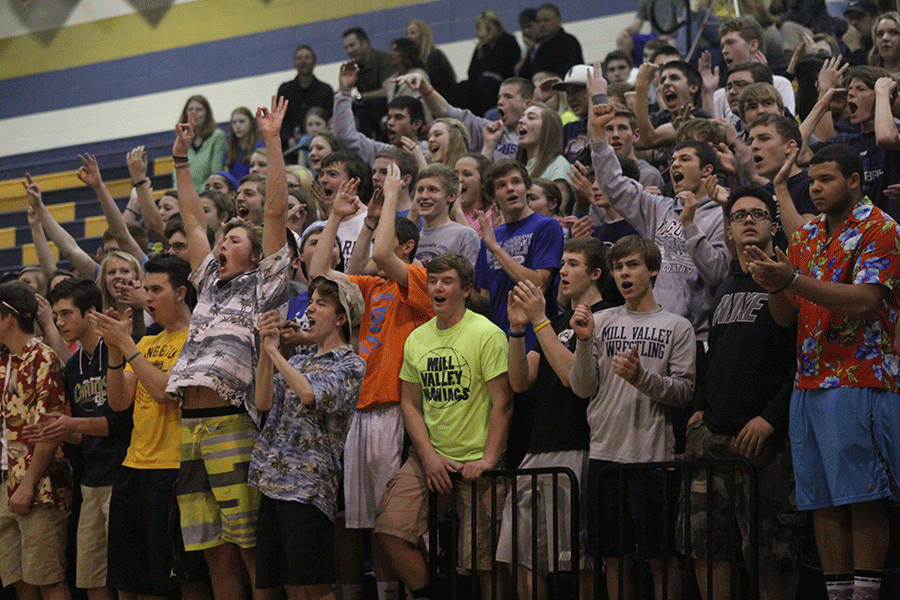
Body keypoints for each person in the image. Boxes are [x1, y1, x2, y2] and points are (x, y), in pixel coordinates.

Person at [746, 144, 900, 600]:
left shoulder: (883, 229)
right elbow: (786, 315)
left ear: (855, 180)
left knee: (862, 497)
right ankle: (838, 593)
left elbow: (866, 299)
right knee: (823, 501)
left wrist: (790, 280)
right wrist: (773, 283)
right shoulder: (808, 235)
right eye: (811, 180)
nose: (814, 188)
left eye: (826, 179)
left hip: (861, 376)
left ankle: (867, 594)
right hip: (809, 380)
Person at [165, 96, 292, 600]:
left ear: (258, 252)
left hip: (234, 422)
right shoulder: (210, 283)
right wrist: (179, 158)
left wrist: (272, 141)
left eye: (234, 239)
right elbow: (193, 220)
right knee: (213, 550)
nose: (221, 245)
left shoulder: (265, 283)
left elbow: (277, 210)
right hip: (189, 427)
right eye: (223, 241)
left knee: (248, 547)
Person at [309, 163, 433, 600]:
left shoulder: (418, 281)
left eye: (388, 235)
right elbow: (320, 274)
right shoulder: (372, 287)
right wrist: (342, 219)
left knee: (392, 522)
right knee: (368, 525)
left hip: (396, 408)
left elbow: (382, 254)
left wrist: (395, 194)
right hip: (361, 409)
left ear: (409, 247)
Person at [680, 186, 802, 600]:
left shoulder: (791, 277)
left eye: (758, 213)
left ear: (773, 224)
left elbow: (804, 358)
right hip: (712, 437)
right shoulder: (725, 286)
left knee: (772, 555)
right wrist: (698, 413)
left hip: (765, 442)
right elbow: (712, 359)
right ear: (728, 230)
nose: (748, 220)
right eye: (739, 215)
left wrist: (772, 417)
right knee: (706, 550)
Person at [374, 253, 513, 600]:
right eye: (433, 281)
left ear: (465, 290)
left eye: (447, 281)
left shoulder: (487, 334)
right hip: (429, 458)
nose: (437, 287)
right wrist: (428, 454)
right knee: (390, 530)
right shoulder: (417, 339)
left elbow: (503, 402)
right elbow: (410, 403)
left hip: (478, 465)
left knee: (484, 561)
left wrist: (489, 459)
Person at [569, 235, 695, 600]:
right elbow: (581, 388)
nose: (624, 273)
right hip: (605, 454)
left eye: (632, 265)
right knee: (613, 558)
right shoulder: (600, 320)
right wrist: (582, 342)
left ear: (652, 269)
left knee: (660, 558)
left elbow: (684, 391)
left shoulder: (677, 326)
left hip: (652, 457)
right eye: (618, 267)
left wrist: (642, 378)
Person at [499, 237, 611, 600]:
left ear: (595, 273)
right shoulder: (556, 320)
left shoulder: (607, 315)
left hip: (577, 447)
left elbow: (570, 376)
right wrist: (519, 330)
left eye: (573, 264)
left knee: (576, 563)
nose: (562, 270)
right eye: (562, 262)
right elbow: (520, 381)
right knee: (517, 556)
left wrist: (537, 320)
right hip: (537, 448)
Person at [93, 254, 207, 600]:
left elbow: (162, 392)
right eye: (146, 289)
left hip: (172, 470)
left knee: (183, 579)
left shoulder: (197, 339)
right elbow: (118, 402)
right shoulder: (146, 343)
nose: (148, 297)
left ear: (180, 293)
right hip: (133, 468)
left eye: (156, 289)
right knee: (134, 581)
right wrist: (115, 350)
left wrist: (125, 345)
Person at [250, 277, 366, 600]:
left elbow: (309, 394)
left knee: (314, 583)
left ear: (341, 317)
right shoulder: (299, 360)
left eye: (321, 304)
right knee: (286, 582)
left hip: (308, 487)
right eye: (311, 301)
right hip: (272, 481)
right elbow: (262, 401)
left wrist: (275, 353)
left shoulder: (352, 363)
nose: (310, 308)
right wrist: (266, 348)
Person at [27, 279, 133, 600]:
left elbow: (121, 423)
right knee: (91, 579)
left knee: (126, 578)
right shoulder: (72, 366)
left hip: (123, 476)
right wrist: (58, 431)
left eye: (66, 314)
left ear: (91, 313)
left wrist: (73, 422)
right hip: (91, 481)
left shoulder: (119, 351)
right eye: (56, 315)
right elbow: (82, 432)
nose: (59, 322)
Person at [0, 283, 71, 600]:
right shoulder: (4, 361)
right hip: (4, 481)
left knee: (48, 580)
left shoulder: (44, 359)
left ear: (7, 319)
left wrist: (27, 484)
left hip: (39, 485)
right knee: (18, 581)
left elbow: (50, 429)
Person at [474, 160, 564, 349]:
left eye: (516, 182)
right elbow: (485, 300)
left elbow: (540, 283)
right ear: (493, 197)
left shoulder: (546, 226)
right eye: (501, 185)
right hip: (497, 337)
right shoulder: (491, 237)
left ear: (527, 188)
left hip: (536, 339)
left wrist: (496, 249)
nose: (510, 188)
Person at [395, 72, 534, 162]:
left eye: (508, 97)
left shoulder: (542, 131)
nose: (500, 101)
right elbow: (445, 112)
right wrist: (424, 87)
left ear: (527, 104)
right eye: (499, 97)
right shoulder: (490, 130)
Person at [412, 164, 480, 266]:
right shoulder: (413, 239)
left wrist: (422, 272)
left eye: (433, 190)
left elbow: (472, 280)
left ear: (451, 196)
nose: (424, 196)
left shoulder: (464, 235)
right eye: (420, 190)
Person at [462, 10, 521, 118]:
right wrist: (486, 73)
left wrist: (487, 49)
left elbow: (506, 68)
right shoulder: (481, 47)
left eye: (487, 29)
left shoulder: (508, 41)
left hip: (503, 83)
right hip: (483, 82)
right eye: (479, 29)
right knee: (464, 86)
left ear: (496, 27)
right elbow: (471, 72)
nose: (481, 33)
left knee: (486, 83)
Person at [277, 45, 334, 152]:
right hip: (290, 147)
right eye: (299, 58)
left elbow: (330, 119)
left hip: (320, 143)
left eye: (307, 57)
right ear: (294, 63)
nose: (303, 61)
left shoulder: (325, 90)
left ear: (315, 62)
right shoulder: (285, 90)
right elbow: (279, 120)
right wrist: (288, 140)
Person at [343, 27, 393, 138]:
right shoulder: (355, 67)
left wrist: (360, 97)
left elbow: (387, 91)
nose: (349, 51)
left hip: (385, 109)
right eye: (346, 48)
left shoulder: (383, 60)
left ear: (365, 43)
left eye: (352, 45)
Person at [518, 4, 584, 81]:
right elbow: (523, 73)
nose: (542, 24)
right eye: (539, 21)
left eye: (546, 20)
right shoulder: (537, 45)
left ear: (558, 20)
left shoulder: (568, 41)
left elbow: (575, 68)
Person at [174, 95, 226, 192]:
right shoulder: (182, 139)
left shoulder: (217, 136)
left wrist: (197, 194)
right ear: (185, 114)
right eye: (190, 110)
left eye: (199, 110)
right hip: (185, 195)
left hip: (208, 194)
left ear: (207, 114)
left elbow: (216, 172)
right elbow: (177, 175)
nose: (194, 114)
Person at [405, 19, 457, 102]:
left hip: (443, 99)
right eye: (406, 34)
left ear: (423, 36)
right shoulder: (413, 61)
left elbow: (427, 81)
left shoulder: (435, 55)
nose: (408, 37)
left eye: (412, 33)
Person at [225, 107, 264, 181]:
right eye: (234, 122)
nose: (237, 126)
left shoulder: (259, 146)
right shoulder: (230, 148)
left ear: (251, 123)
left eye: (242, 121)